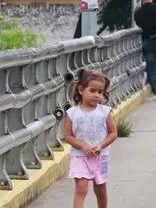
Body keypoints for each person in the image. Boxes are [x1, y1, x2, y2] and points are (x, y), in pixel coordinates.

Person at [65, 69, 117, 208]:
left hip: (101, 156)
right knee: (81, 188)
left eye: (100, 92)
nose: (97, 95)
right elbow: (68, 136)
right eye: (92, 91)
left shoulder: (105, 112)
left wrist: (100, 146)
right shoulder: (72, 113)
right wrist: (82, 146)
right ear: (81, 90)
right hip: (80, 156)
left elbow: (113, 133)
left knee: (100, 190)